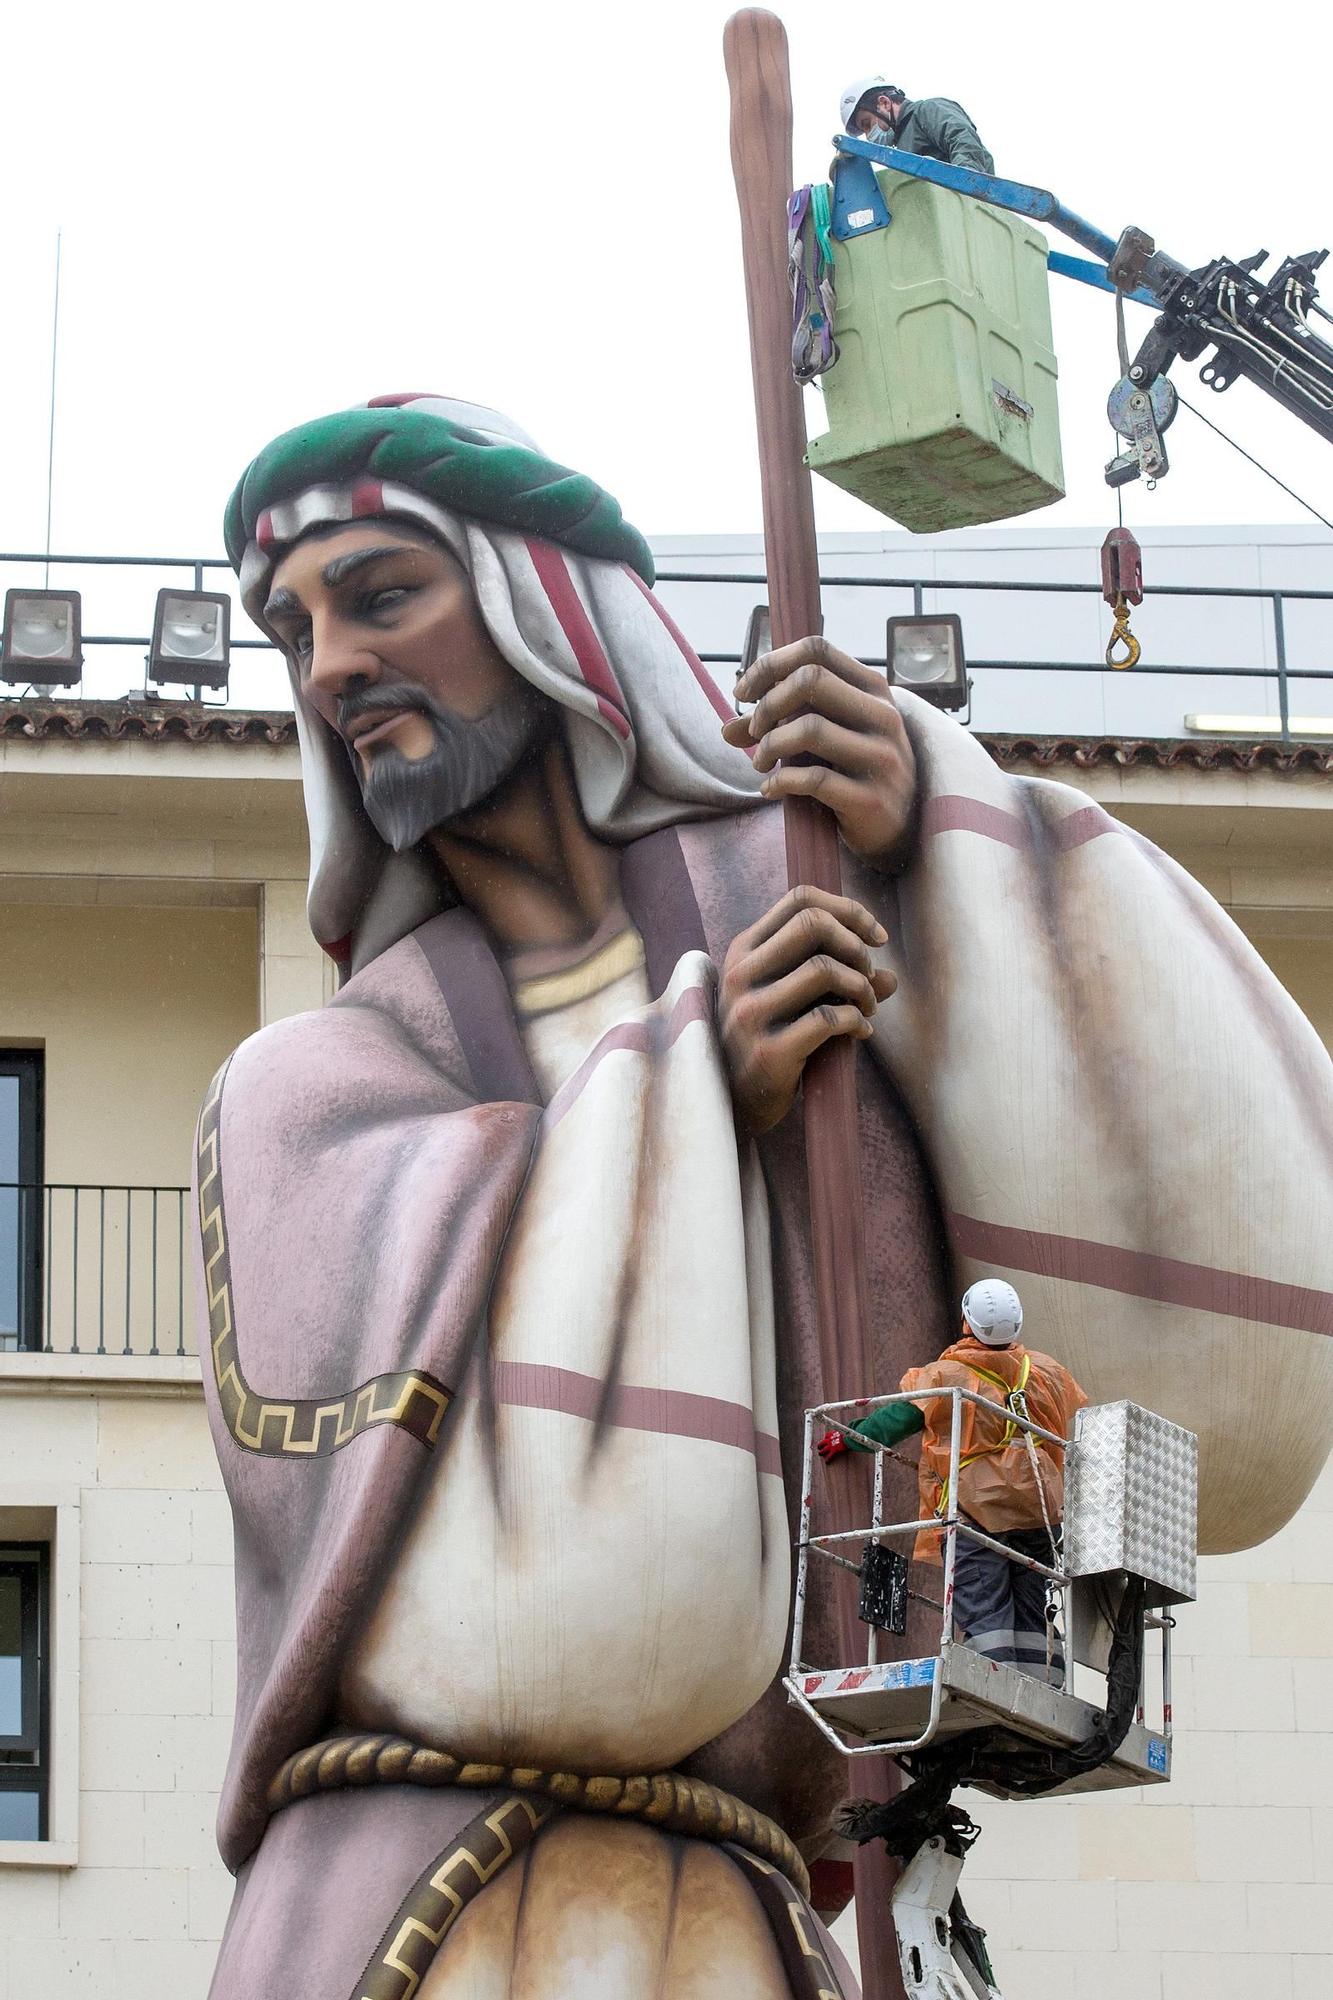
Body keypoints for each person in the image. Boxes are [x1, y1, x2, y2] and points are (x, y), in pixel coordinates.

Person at [196, 392, 1331, 1999]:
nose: (328, 669)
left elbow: (1214, 1371)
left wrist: (940, 843)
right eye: (290, 629)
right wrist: (686, 1083)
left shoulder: (806, 883)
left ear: (545, 608)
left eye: (381, 596)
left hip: (753, 1896)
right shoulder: (324, 1080)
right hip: (417, 1906)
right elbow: (517, 1609)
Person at [820, 1280, 1087, 1682]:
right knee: (1032, 1603)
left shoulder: (949, 1375)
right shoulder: (1047, 1372)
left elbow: (896, 1422)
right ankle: (1044, 1688)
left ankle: (994, 1688)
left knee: (983, 1602)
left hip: (978, 1506)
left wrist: (849, 1436)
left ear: (966, 1321)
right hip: (1039, 1508)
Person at [840, 74, 995, 175]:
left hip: (965, 209)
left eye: (867, 124)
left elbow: (962, 138)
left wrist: (965, 180)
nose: (869, 135)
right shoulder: (902, 145)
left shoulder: (927, 110)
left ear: (884, 103)